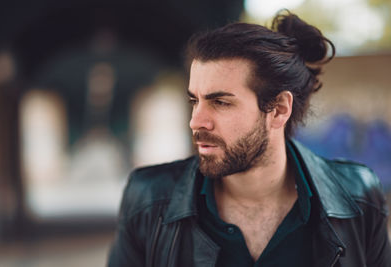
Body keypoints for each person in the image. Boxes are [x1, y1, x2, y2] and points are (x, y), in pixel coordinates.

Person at [108, 11, 391, 267]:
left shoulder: (358, 198)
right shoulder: (148, 199)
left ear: (278, 109)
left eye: (220, 102)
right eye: (195, 101)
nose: (196, 121)